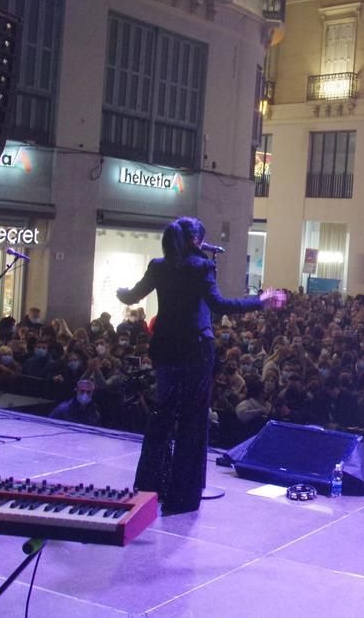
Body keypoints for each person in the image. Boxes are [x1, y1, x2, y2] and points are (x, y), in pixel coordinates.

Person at [117, 217, 286, 514]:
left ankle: (149, 485)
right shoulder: (201, 266)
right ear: (197, 241)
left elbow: (131, 296)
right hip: (195, 348)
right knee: (193, 421)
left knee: (163, 414)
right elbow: (220, 306)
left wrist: (120, 292)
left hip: (165, 347)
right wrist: (260, 301)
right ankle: (181, 494)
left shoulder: (158, 265)